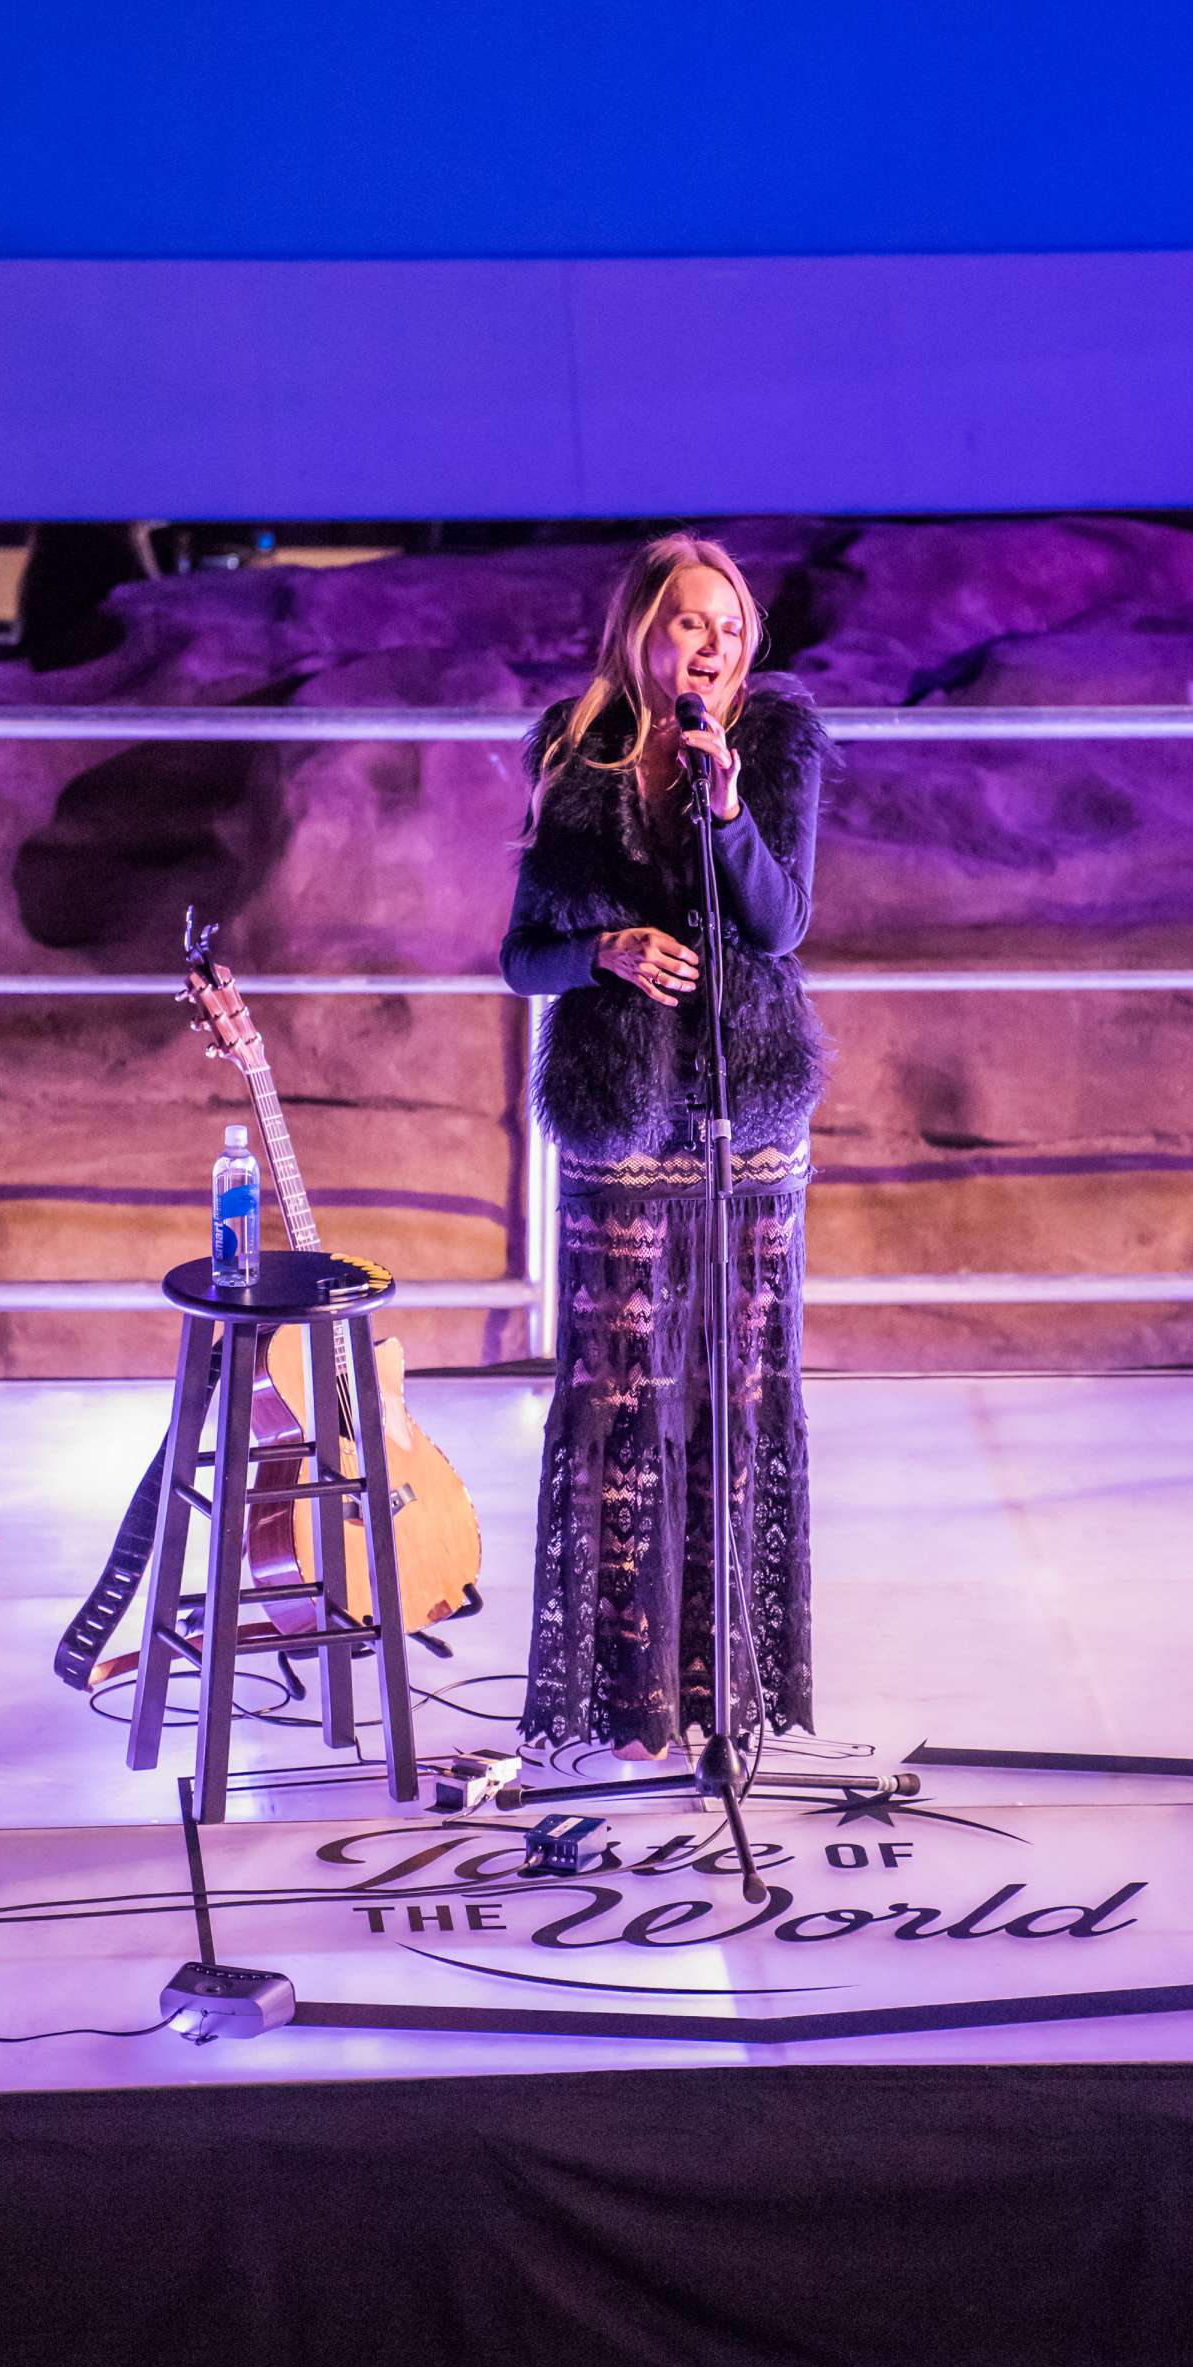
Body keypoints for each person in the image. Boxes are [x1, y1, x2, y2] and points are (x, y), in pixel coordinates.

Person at [500, 533, 832, 1759]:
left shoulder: (775, 743)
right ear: (643, 627)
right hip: (616, 1113)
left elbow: (780, 921)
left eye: (730, 628)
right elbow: (519, 954)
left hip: (749, 1111)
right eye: (692, 623)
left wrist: (728, 802)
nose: (713, 647)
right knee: (622, 1399)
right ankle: (622, 1703)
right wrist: (605, 950)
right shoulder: (570, 746)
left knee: (741, 1394)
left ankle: (734, 1697)